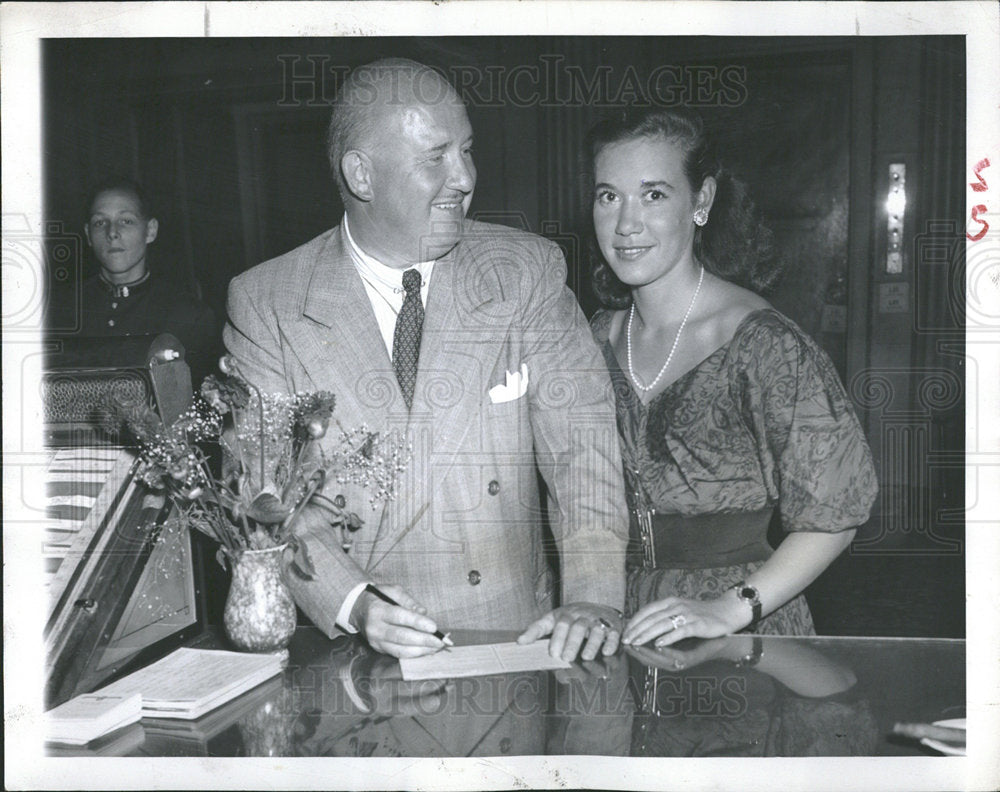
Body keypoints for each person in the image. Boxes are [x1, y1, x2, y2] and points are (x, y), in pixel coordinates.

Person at [223, 58, 628, 661]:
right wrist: (356, 602)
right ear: (362, 174)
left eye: (467, 150)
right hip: (358, 658)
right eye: (436, 157)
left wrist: (594, 598)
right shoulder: (267, 303)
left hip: (511, 641)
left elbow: (583, 452)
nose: (464, 177)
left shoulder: (525, 271)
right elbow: (267, 496)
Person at [585, 107, 878, 647]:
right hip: (618, 619)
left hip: (737, 628)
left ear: (701, 202)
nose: (626, 224)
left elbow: (835, 517)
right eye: (609, 196)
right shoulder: (595, 336)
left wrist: (729, 608)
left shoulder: (765, 344)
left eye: (654, 195)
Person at [47, 179, 220, 379]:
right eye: (100, 222)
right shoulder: (56, 310)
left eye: (126, 221)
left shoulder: (189, 316)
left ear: (150, 231)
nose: (112, 233)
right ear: (88, 234)